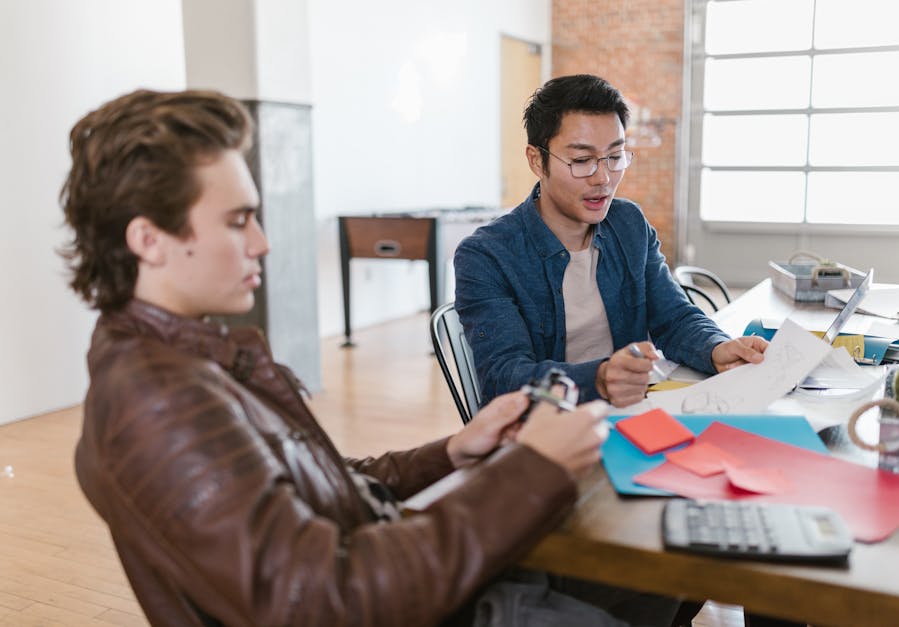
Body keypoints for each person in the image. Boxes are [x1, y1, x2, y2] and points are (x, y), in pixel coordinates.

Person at [61, 88, 676, 627]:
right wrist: (532, 469)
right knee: (654, 578)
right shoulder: (159, 403)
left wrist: (452, 453)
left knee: (662, 580)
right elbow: (323, 599)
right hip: (401, 600)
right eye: (238, 221)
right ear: (149, 240)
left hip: (403, 572)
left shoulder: (184, 362)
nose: (262, 242)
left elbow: (318, 483)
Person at [454, 74, 768, 409]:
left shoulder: (628, 224)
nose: (603, 178)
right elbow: (505, 378)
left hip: (630, 412)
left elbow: (673, 317)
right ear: (536, 160)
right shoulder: (487, 256)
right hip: (547, 432)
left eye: (614, 156)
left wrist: (717, 347)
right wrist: (601, 378)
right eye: (581, 160)